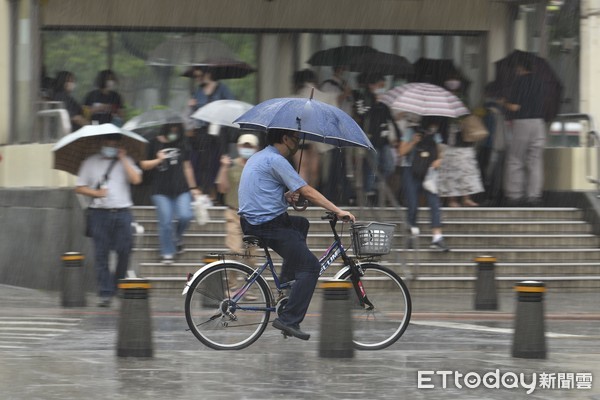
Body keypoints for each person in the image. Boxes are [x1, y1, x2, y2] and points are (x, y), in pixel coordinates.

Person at [238, 128, 355, 340]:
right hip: (266, 224)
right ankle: (289, 319)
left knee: (301, 224)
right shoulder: (276, 160)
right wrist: (338, 211)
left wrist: (284, 198)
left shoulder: (261, 156)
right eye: (296, 139)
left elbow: (262, 192)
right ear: (285, 139)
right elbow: (307, 191)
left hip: (256, 220)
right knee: (311, 267)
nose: (298, 143)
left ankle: (287, 284)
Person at [75, 134, 142, 307]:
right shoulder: (90, 162)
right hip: (99, 213)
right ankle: (105, 292)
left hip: (122, 212)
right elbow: (79, 187)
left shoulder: (125, 160)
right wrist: (96, 193)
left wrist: (123, 159)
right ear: (101, 144)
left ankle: (117, 284)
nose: (110, 147)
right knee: (101, 254)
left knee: (125, 250)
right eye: (108, 144)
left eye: (114, 144)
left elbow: (136, 179)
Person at [140, 122, 201, 264]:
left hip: (181, 188)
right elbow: (144, 164)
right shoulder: (153, 143)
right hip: (160, 190)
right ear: (165, 129)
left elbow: (187, 166)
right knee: (166, 221)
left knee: (186, 216)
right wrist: (158, 160)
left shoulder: (182, 143)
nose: (174, 133)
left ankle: (177, 238)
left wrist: (193, 188)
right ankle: (167, 252)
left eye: (176, 130)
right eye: (171, 130)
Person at [397, 117, 449, 252]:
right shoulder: (411, 131)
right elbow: (401, 152)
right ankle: (412, 234)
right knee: (413, 204)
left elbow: (440, 152)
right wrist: (414, 141)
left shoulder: (435, 135)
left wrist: (439, 160)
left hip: (429, 173)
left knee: (434, 203)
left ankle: (437, 238)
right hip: (410, 171)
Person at [215, 133, 260, 286]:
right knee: (234, 250)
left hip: (252, 215)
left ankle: (250, 288)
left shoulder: (259, 167)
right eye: (244, 146)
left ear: (256, 148)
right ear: (239, 147)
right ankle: (232, 284)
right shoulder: (231, 165)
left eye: (250, 146)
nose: (247, 149)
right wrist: (223, 167)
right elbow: (222, 188)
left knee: (251, 255)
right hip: (233, 213)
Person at [501, 57, 546, 207]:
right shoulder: (541, 82)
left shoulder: (520, 82)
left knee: (516, 159)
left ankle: (515, 195)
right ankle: (534, 195)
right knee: (535, 161)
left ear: (520, 67)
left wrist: (503, 102)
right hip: (539, 123)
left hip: (522, 123)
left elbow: (515, 107)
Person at [186, 66, 235, 200]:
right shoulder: (198, 92)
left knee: (220, 160)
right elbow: (194, 114)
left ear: (207, 74)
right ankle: (206, 191)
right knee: (203, 162)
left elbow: (231, 105)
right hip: (202, 132)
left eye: (199, 76)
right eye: (195, 77)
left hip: (219, 131)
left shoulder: (222, 89)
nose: (197, 79)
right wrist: (191, 106)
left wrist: (220, 108)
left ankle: (220, 194)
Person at [436, 77, 484, 207]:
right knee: (454, 171)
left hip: (461, 141)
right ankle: (455, 199)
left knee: (461, 171)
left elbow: (466, 115)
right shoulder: (443, 102)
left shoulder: (460, 100)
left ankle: (462, 198)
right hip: (451, 142)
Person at [352, 73, 399, 205]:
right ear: (372, 85)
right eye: (380, 86)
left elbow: (389, 117)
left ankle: (377, 185)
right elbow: (362, 115)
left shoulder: (385, 101)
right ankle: (369, 191)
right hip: (370, 138)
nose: (382, 89)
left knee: (389, 166)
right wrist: (375, 102)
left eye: (384, 86)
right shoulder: (363, 98)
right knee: (372, 165)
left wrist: (397, 135)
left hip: (383, 139)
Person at [289, 69, 336, 190]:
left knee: (302, 168)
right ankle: (310, 196)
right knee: (314, 170)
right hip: (315, 137)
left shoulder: (293, 99)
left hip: (297, 137)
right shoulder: (321, 97)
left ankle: (301, 195)